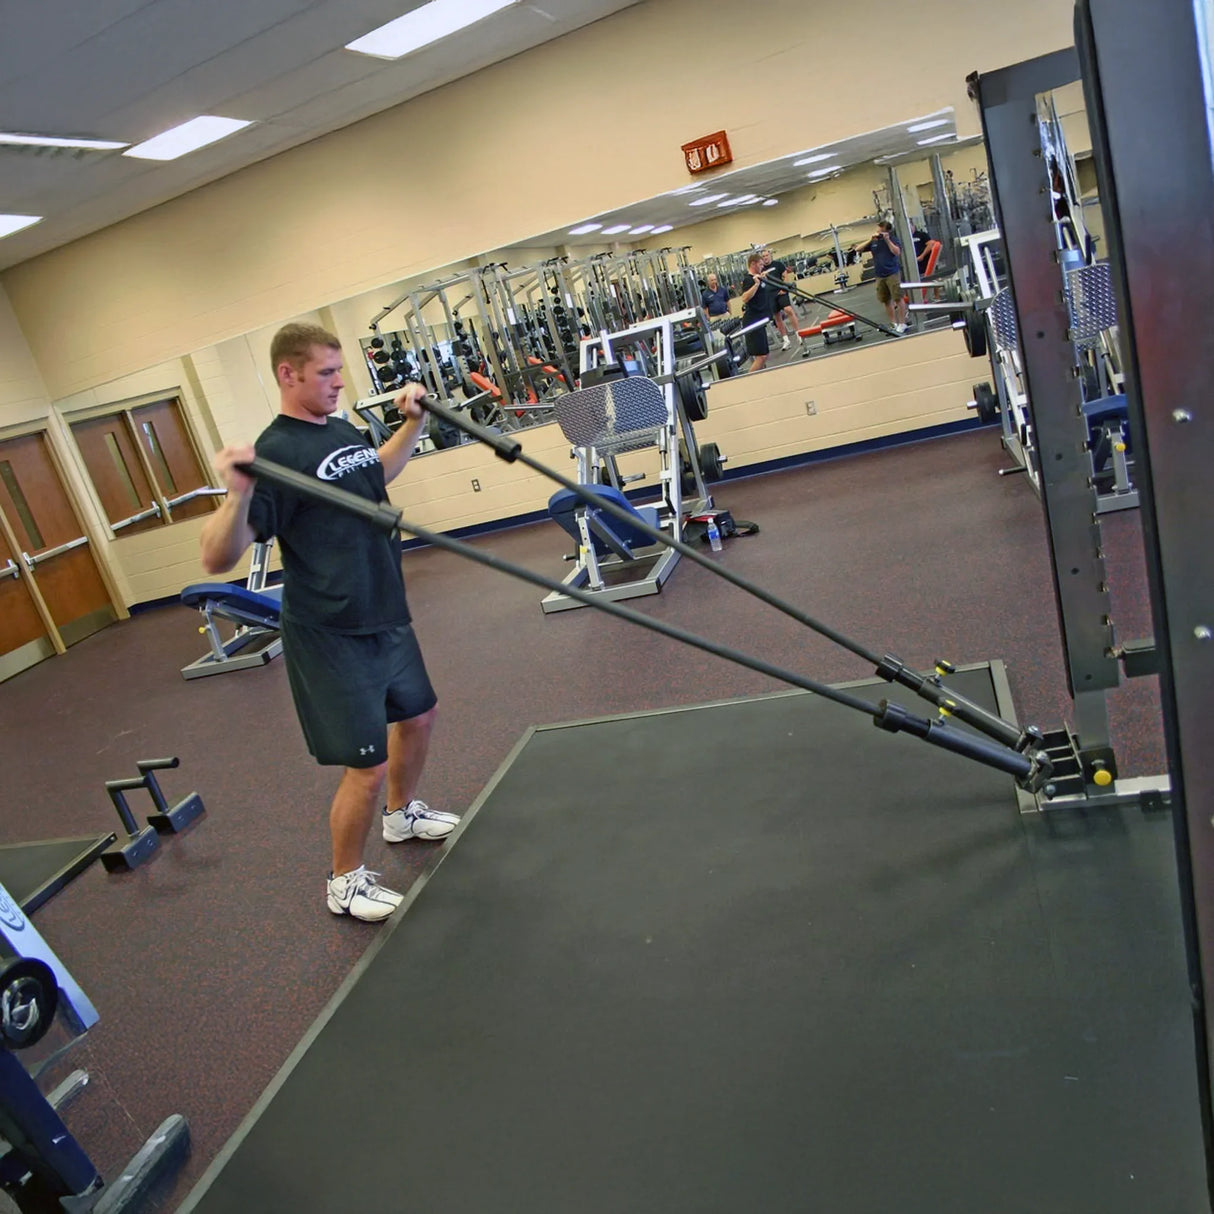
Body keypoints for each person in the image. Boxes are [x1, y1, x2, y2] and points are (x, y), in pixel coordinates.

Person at [200, 322, 459, 924]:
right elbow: (217, 557)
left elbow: (377, 472)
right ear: (288, 374)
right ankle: (343, 881)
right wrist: (237, 494)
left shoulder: (341, 427)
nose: (338, 382)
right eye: (325, 373)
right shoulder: (275, 454)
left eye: (339, 371)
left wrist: (413, 425)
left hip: (384, 613)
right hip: (331, 631)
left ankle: (403, 815)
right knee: (363, 767)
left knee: (419, 716)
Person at [866, 221, 908, 333]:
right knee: (886, 300)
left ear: (885, 230)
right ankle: (893, 323)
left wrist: (887, 240)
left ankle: (902, 323)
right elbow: (857, 249)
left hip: (892, 273)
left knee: (898, 299)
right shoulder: (874, 241)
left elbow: (897, 252)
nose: (878, 230)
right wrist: (870, 239)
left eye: (880, 228)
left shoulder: (893, 239)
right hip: (880, 275)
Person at [738, 252, 772, 372]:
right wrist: (757, 284)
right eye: (760, 264)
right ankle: (748, 382)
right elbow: (744, 298)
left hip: (760, 321)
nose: (762, 267)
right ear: (753, 264)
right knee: (761, 357)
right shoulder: (748, 280)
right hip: (752, 322)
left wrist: (763, 279)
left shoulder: (758, 277)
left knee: (765, 355)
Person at [759, 248, 797, 352]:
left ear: (770, 255)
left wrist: (783, 288)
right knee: (777, 317)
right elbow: (761, 284)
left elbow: (785, 276)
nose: (765, 258)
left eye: (767, 255)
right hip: (769, 295)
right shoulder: (761, 269)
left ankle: (799, 333)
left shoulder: (778, 264)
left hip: (781, 291)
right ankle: (786, 340)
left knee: (788, 310)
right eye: (763, 256)